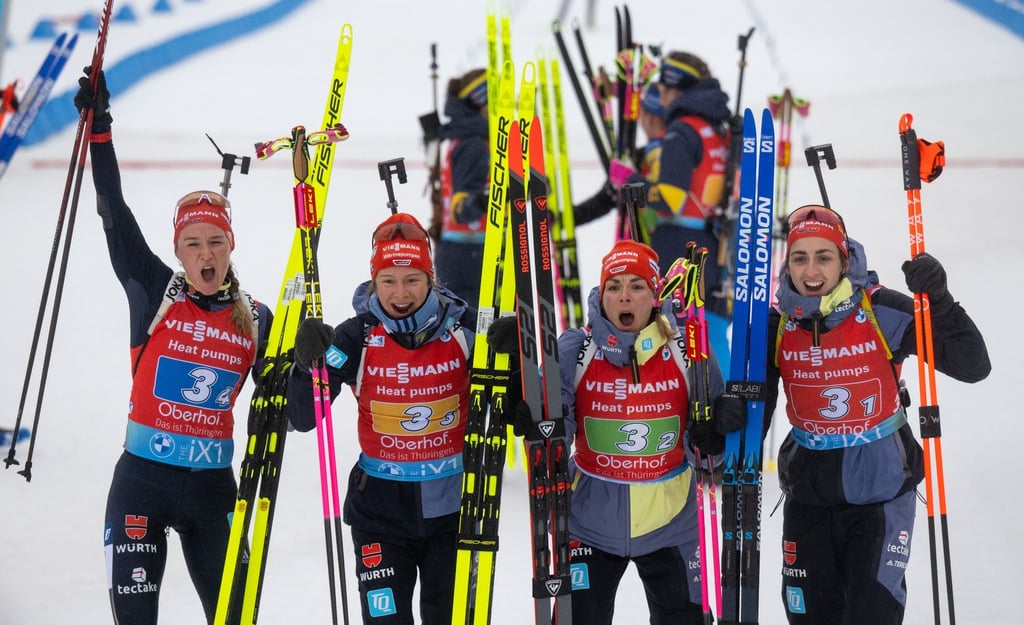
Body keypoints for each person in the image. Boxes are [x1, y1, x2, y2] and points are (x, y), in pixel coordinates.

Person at [74, 70, 272, 625]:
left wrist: (311, 355)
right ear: (178, 251)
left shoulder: (255, 318)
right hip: (143, 483)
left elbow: (298, 414)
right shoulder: (154, 289)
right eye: (193, 244)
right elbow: (113, 209)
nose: (205, 254)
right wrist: (100, 130)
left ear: (230, 246)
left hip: (213, 491)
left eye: (215, 242)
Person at [754, 205, 990, 623]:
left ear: (845, 260)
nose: (811, 271)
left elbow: (973, 365)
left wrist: (940, 302)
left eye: (823, 257)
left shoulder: (882, 311)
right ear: (786, 263)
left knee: (871, 614)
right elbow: (756, 414)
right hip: (808, 496)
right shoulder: (776, 325)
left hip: (881, 493)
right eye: (799, 257)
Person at [497, 239, 744, 624]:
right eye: (614, 286)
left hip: (673, 523)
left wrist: (718, 432)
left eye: (636, 286)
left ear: (655, 293)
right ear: (602, 293)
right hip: (587, 522)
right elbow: (553, 436)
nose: (624, 297)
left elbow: (710, 455)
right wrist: (532, 411)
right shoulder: (577, 349)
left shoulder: (687, 350)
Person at [287, 212, 480, 625]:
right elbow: (303, 417)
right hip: (378, 515)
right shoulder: (355, 336)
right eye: (388, 280)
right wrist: (305, 366)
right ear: (374, 282)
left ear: (431, 279)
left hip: (453, 513)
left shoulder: (464, 330)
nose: (401, 293)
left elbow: (513, 398)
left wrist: (512, 357)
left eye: (412, 279)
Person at [607, 51, 734, 377]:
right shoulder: (715, 127)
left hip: (679, 243)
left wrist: (629, 182)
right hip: (715, 241)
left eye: (662, 88)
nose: (660, 98)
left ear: (674, 88)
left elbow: (670, 198)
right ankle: (725, 403)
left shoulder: (682, 131)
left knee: (671, 331)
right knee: (711, 329)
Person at [429, 67, 489, 307]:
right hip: (469, 257)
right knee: (475, 336)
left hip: (464, 253)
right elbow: (461, 207)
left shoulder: (466, 135)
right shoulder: (473, 143)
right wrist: (497, 197)